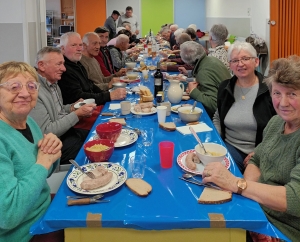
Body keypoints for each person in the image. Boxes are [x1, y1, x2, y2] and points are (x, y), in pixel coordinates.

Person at [203, 55, 300, 242]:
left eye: (292, 94)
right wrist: (248, 199)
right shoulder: (276, 122)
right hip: (258, 213)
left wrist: (238, 185)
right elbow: (256, 160)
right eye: (277, 93)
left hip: (285, 230)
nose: (283, 103)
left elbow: (295, 199)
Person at [0, 61, 63, 241]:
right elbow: (8, 214)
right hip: (26, 233)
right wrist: (43, 162)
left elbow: (44, 172)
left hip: (43, 209)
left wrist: (53, 153)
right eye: (14, 87)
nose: (25, 93)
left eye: (31, 86)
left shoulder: (28, 123)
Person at [213, 41, 276, 173]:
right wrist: (216, 142)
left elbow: (282, 128)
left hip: (262, 151)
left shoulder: (270, 89)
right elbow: (218, 117)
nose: (240, 64)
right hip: (230, 148)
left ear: (256, 62)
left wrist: (259, 152)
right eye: (235, 60)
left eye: (245, 59)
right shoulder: (225, 87)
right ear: (230, 65)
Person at [29, 46, 96, 165]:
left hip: (66, 134)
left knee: (97, 136)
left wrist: (72, 107)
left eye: (63, 64)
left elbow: (58, 111)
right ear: (41, 66)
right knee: (94, 152)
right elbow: (47, 131)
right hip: (53, 146)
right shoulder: (33, 92)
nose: (64, 69)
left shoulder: (53, 83)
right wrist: (77, 114)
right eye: (59, 64)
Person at [57, 32, 127, 105]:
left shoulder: (77, 63)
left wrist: (108, 94)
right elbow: (78, 97)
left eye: (80, 45)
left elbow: (91, 85)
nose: (79, 48)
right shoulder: (64, 69)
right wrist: (109, 95)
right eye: (74, 45)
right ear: (62, 49)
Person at [180, 41, 231, 118]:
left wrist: (194, 91)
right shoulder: (211, 59)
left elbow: (215, 106)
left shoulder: (203, 72)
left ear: (188, 63)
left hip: (225, 115)